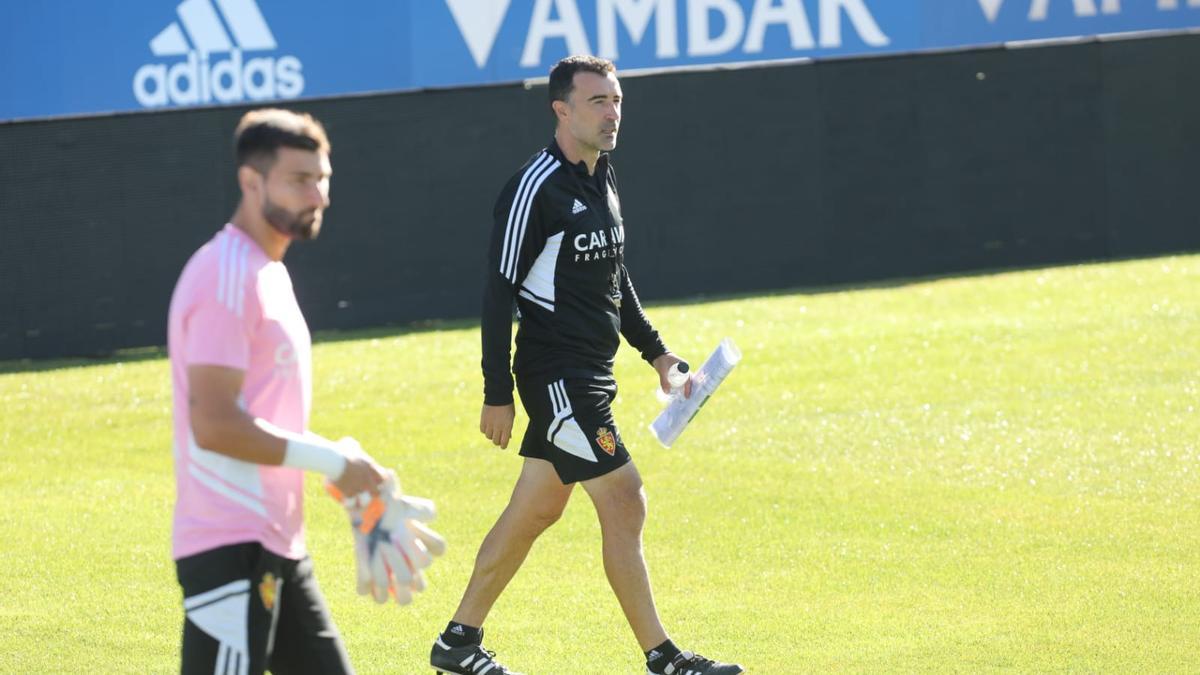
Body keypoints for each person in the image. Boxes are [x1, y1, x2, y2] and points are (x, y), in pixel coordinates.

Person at [430, 56, 743, 675]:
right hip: (555, 378)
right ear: (561, 110)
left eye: (617, 100)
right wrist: (498, 392)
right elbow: (498, 294)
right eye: (598, 101)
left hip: (591, 376)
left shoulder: (604, 176)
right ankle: (665, 658)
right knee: (625, 498)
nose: (612, 112)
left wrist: (658, 356)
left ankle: (457, 643)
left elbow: (614, 279)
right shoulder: (534, 187)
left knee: (536, 511)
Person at [168, 108, 386, 675]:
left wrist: (345, 465)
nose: (317, 195)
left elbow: (262, 416)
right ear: (251, 180)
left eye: (322, 179)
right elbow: (215, 424)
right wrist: (331, 460)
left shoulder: (268, 272)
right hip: (230, 548)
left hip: (277, 545)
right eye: (299, 180)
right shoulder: (226, 275)